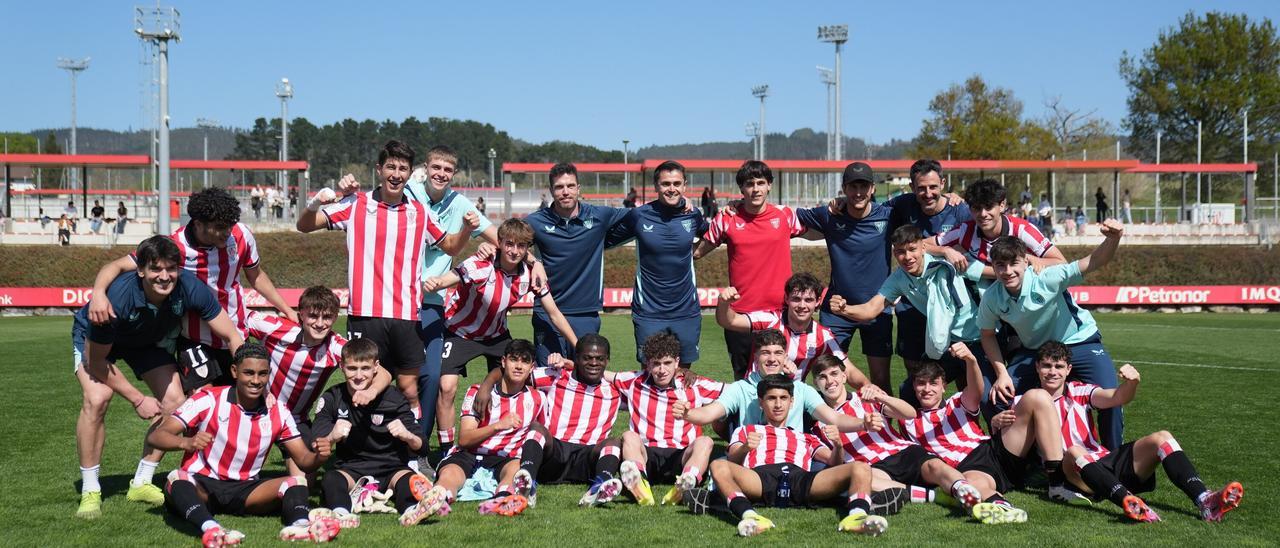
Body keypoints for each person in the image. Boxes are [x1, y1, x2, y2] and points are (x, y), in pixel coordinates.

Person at [297, 139, 474, 422]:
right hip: (365, 313)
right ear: (379, 169)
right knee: (363, 384)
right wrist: (316, 201)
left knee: (408, 388)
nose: (396, 173)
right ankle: (360, 453)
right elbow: (304, 226)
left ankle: (411, 450)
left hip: (405, 314)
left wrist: (465, 228)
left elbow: (451, 246)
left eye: (403, 168)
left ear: (410, 173)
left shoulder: (419, 212)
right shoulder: (356, 204)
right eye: (390, 166)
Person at [73, 236, 244, 520]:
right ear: (140, 270)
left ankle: (141, 481)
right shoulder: (117, 298)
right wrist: (137, 399)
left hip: (143, 342)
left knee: (176, 401)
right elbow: (96, 361)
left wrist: (246, 373)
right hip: (95, 343)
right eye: (155, 269)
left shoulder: (189, 287)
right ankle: (91, 489)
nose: (164, 277)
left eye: (171, 269)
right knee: (97, 399)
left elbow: (231, 334)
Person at [89, 186, 297, 391]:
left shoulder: (241, 235)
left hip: (235, 333)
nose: (227, 232)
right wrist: (98, 293)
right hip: (194, 339)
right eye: (219, 226)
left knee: (241, 402)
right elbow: (117, 265)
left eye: (230, 226)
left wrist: (287, 310)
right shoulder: (174, 246)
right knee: (202, 404)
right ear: (198, 224)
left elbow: (257, 276)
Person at [1025, 342, 1244, 523]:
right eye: (1046, 366)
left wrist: (1132, 383)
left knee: (1162, 438)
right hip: (1071, 474)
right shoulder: (1028, 401)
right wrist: (998, 419)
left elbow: (1117, 398)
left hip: (1102, 462)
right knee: (1074, 450)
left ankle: (1205, 500)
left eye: (1059, 366)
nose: (1052, 372)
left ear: (1068, 370)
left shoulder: (1079, 391)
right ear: (1037, 367)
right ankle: (1128, 501)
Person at [148, 343, 341, 545]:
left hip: (246, 490)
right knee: (176, 479)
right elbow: (157, 436)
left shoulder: (279, 411)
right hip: (203, 485)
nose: (256, 381)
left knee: (297, 481)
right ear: (234, 371)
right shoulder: (208, 400)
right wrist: (185, 442)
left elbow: (304, 460)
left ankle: (300, 526)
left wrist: (320, 456)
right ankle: (211, 528)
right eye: (249, 373)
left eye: (262, 374)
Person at [423, 218, 575, 456]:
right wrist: (435, 283)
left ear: (527, 250)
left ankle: (506, 443)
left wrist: (578, 345)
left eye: (521, 246)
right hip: (460, 331)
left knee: (514, 382)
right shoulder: (481, 264)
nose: (514, 251)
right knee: (447, 386)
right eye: (509, 244)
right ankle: (446, 450)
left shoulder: (529, 275)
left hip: (496, 335)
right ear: (500, 243)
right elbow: (449, 278)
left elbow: (554, 313)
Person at [978, 219, 1128, 449]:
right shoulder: (992, 297)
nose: (1007, 271)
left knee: (1111, 398)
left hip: (1079, 342)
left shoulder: (1047, 278)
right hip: (1036, 351)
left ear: (1025, 262)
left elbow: (1095, 261)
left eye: (1013, 263)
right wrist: (1002, 374)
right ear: (993, 266)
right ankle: (1016, 463)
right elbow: (987, 334)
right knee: (999, 398)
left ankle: (1113, 460)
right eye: (1000, 265)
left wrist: (1113, 238)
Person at [402, 145, 506, 461]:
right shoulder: (407, 193)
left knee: (433, 377)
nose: (441, 174)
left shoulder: (458, 203)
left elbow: (500, 240)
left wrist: (503, 252)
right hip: (395, 299)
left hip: (432, 301)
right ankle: (382, 449)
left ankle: (422, 449)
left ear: (453, 174)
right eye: (436, 167)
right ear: (425, 167)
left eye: (447, 170)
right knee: (391, 377)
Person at [827, 225, 995, 411]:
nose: (907, 257)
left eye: (912, 249)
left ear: (923, 247)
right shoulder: (898, 278)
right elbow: (871, 309)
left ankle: (989, 440)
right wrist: (845, 309)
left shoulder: (950, 261)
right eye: (900, 252)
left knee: (989, 398)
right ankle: (913, 437)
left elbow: (993, 273)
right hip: (948, 345)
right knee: (909, 390)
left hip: (979, 341)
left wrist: (1028, 264)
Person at [899, 344, 1066, 524]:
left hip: (992, 450)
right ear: (914, 387)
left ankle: (1057, 482)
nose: (927, 389)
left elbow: (977, 389)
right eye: (921, 383)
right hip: (968, 467)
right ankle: (1002, 507)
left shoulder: (957, 402)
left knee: (1037, 396)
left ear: (944, 386)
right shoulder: (906, 421)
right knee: (971, 484)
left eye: (933, 383)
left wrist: (971, 360)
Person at [705, 374, 889, 537]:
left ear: (791, 401)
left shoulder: (806, 436)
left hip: (800, 479)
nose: (778, 404)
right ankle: (750, 516)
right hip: (760, 478)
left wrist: (838, 446)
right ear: (761, 402)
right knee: (718, 465)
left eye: (783, 398)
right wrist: (745, 448)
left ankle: (857, 517)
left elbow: (834, 464)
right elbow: (733, 462)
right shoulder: (746, 430)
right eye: (771, 398)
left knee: (861, 467)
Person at [807, 355, 986, 521]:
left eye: (834, 374)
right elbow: (835, 467)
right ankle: (935, 496)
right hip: (872, 466)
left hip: (900, 451)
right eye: (823, 377)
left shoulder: (865, 397)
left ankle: (964, 490)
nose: (830, 381)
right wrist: (838, 445)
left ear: (845, 377)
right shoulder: (818, 424)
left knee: (934, 465)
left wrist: (881, 397)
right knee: (869, 481)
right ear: (816, 383)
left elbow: (909, 413)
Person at [242, 286, 392, 475]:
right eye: (313, 316)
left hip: (296, 419)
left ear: (335, 318)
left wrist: (370, 392)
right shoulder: (276, 327)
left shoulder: (335, 346)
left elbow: (384, 373)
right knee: (240, 474)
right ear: (301, 314)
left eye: (327, 317)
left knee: (304, 483)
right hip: (257, 412)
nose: (320, 324)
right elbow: (236, 319)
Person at [474, 334, 625, 508]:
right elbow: (509, 371)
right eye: (587, 358)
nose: (593, 363)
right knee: (537, 428)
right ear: (576, 358)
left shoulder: (616, 392)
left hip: (588, 459)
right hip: (554, 455)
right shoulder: (556, 376)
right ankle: (527, 482)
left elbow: (649, 391)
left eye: (600, 359)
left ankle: (599, 487)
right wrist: (486, 386)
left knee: (614, 441)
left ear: (607, 361)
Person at [407, 340, 546, 524]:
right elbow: (464, 439)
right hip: (470, 453)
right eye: (514, 360)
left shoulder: (538, 398)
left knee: (515, 468)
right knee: (450, 473)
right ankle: (438, 497)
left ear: (532, 367)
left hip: (504, 458)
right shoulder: (476, 392)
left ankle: (502, 499)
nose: (519, 366)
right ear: (503, 362)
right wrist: (497, 426)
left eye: (524, 361)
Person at [695, 161, 807, 380]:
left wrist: (839, 210)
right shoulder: (726, 218)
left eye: (760, 183)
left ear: (769, 186)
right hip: (739, 317)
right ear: (741, 189)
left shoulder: (785, 215)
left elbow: (819, 230)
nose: (755, 189)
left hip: (779, 316)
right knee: (743, 382)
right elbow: (698, 252)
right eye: (749, 184)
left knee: (781, 381)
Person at [794, 162, 894, 391]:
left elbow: (921, 207)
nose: (858, 192)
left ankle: (883, 427)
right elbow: (789, 217)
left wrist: (950, 197)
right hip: (837, 311)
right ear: (844, 189)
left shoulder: (888, 215)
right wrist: (739, 205)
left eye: (863, 186)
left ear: (872, 189)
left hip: (877, 309)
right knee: (829, 376)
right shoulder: (829, 215)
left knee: (880, 379)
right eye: (852, 186)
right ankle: (830, 425)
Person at [312, 337, 430, 528]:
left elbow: (422, 446)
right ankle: (341, 514)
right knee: (331, 479)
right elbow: (315, 442)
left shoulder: (394, 397)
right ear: (341, 366)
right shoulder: (333, 397)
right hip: (352, 469)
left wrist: (407, 436)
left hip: (392, 468)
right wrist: (332, 436)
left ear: (376, 367)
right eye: (352, 368)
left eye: (365, 368)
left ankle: (411, 511)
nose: (358, 375)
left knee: (408, 480)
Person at [606, 160, 708, 367]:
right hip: (649, 312)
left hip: (686, 310)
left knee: (683, 375)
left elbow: (717, 235)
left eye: (677, 184)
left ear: (685, 186)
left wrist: (698, 252)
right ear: (656, 186)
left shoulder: (693, 215)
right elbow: (601, 240)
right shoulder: (639, 215)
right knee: (650, 375)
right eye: (666, 184)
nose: (672, 189)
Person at [526, 163, 631, 364]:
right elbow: (506, 240)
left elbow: (642, 214)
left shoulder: (600, 216)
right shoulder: (535, 222)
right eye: (559, 187)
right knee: (547, 379)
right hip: (547, 313)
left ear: (578, 188)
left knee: (585, 380)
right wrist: (535, 260)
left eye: (570, 186)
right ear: (551, 191)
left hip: (585, 314)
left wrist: (679, 203)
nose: (565, 192)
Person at [675, 329, 870, 435]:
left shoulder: (800, 389)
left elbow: (834, 418)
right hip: (752, 453)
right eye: (765, 353)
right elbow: (710, 413)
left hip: (792, 455)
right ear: (756, 357)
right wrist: (688, 414)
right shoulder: (741, 389)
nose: (772, 359)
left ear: (785, 356)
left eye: (778, 353)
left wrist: (863, 424)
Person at [608, 333, 724, 505]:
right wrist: (572, 365)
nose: (662, 370)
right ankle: (640, 483)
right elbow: (598, 372)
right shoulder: (634, 381)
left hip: (680, 455)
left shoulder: (693, 384)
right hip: (646, 454)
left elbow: (736, 390)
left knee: (705, 441)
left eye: (667, 363)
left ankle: (685, 483)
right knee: (628, 436)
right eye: (656, 364)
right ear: (647, 364)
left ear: (677, 362)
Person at [884, 159, 972, 384]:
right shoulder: (902, 204)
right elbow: (865, 205)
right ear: (912, 187)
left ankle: (959, 418)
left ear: (943, 183)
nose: (928, 193)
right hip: (913, 300)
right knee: (915, 371)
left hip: (950, 303)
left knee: (962, 368)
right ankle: (920, 419)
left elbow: (970, 247)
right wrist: (943, 250)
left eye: (933, 186)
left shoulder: (959, 210)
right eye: (921, 188)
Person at [716, 273, 869, 388]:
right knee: (720, 419)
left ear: (818, 302)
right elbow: (729, 321)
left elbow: (848, 370)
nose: (802, 306)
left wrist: (868, 387)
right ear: (787, 299)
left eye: (808, 300)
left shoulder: (822, 335)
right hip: (754, 391)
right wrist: (723, 303)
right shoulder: (771, 319)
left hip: (791, 399)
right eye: (796, 299)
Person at [930, 178, 1066, 294]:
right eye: (977, 208)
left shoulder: (1023, 230)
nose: (983, 214)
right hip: (993, 303)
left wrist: (1030, 260)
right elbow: (921, 245)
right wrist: (945, 250)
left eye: (989, 207)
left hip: (1030, 299)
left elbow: (1062, 262)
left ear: (1002, 206)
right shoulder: (965, 230)